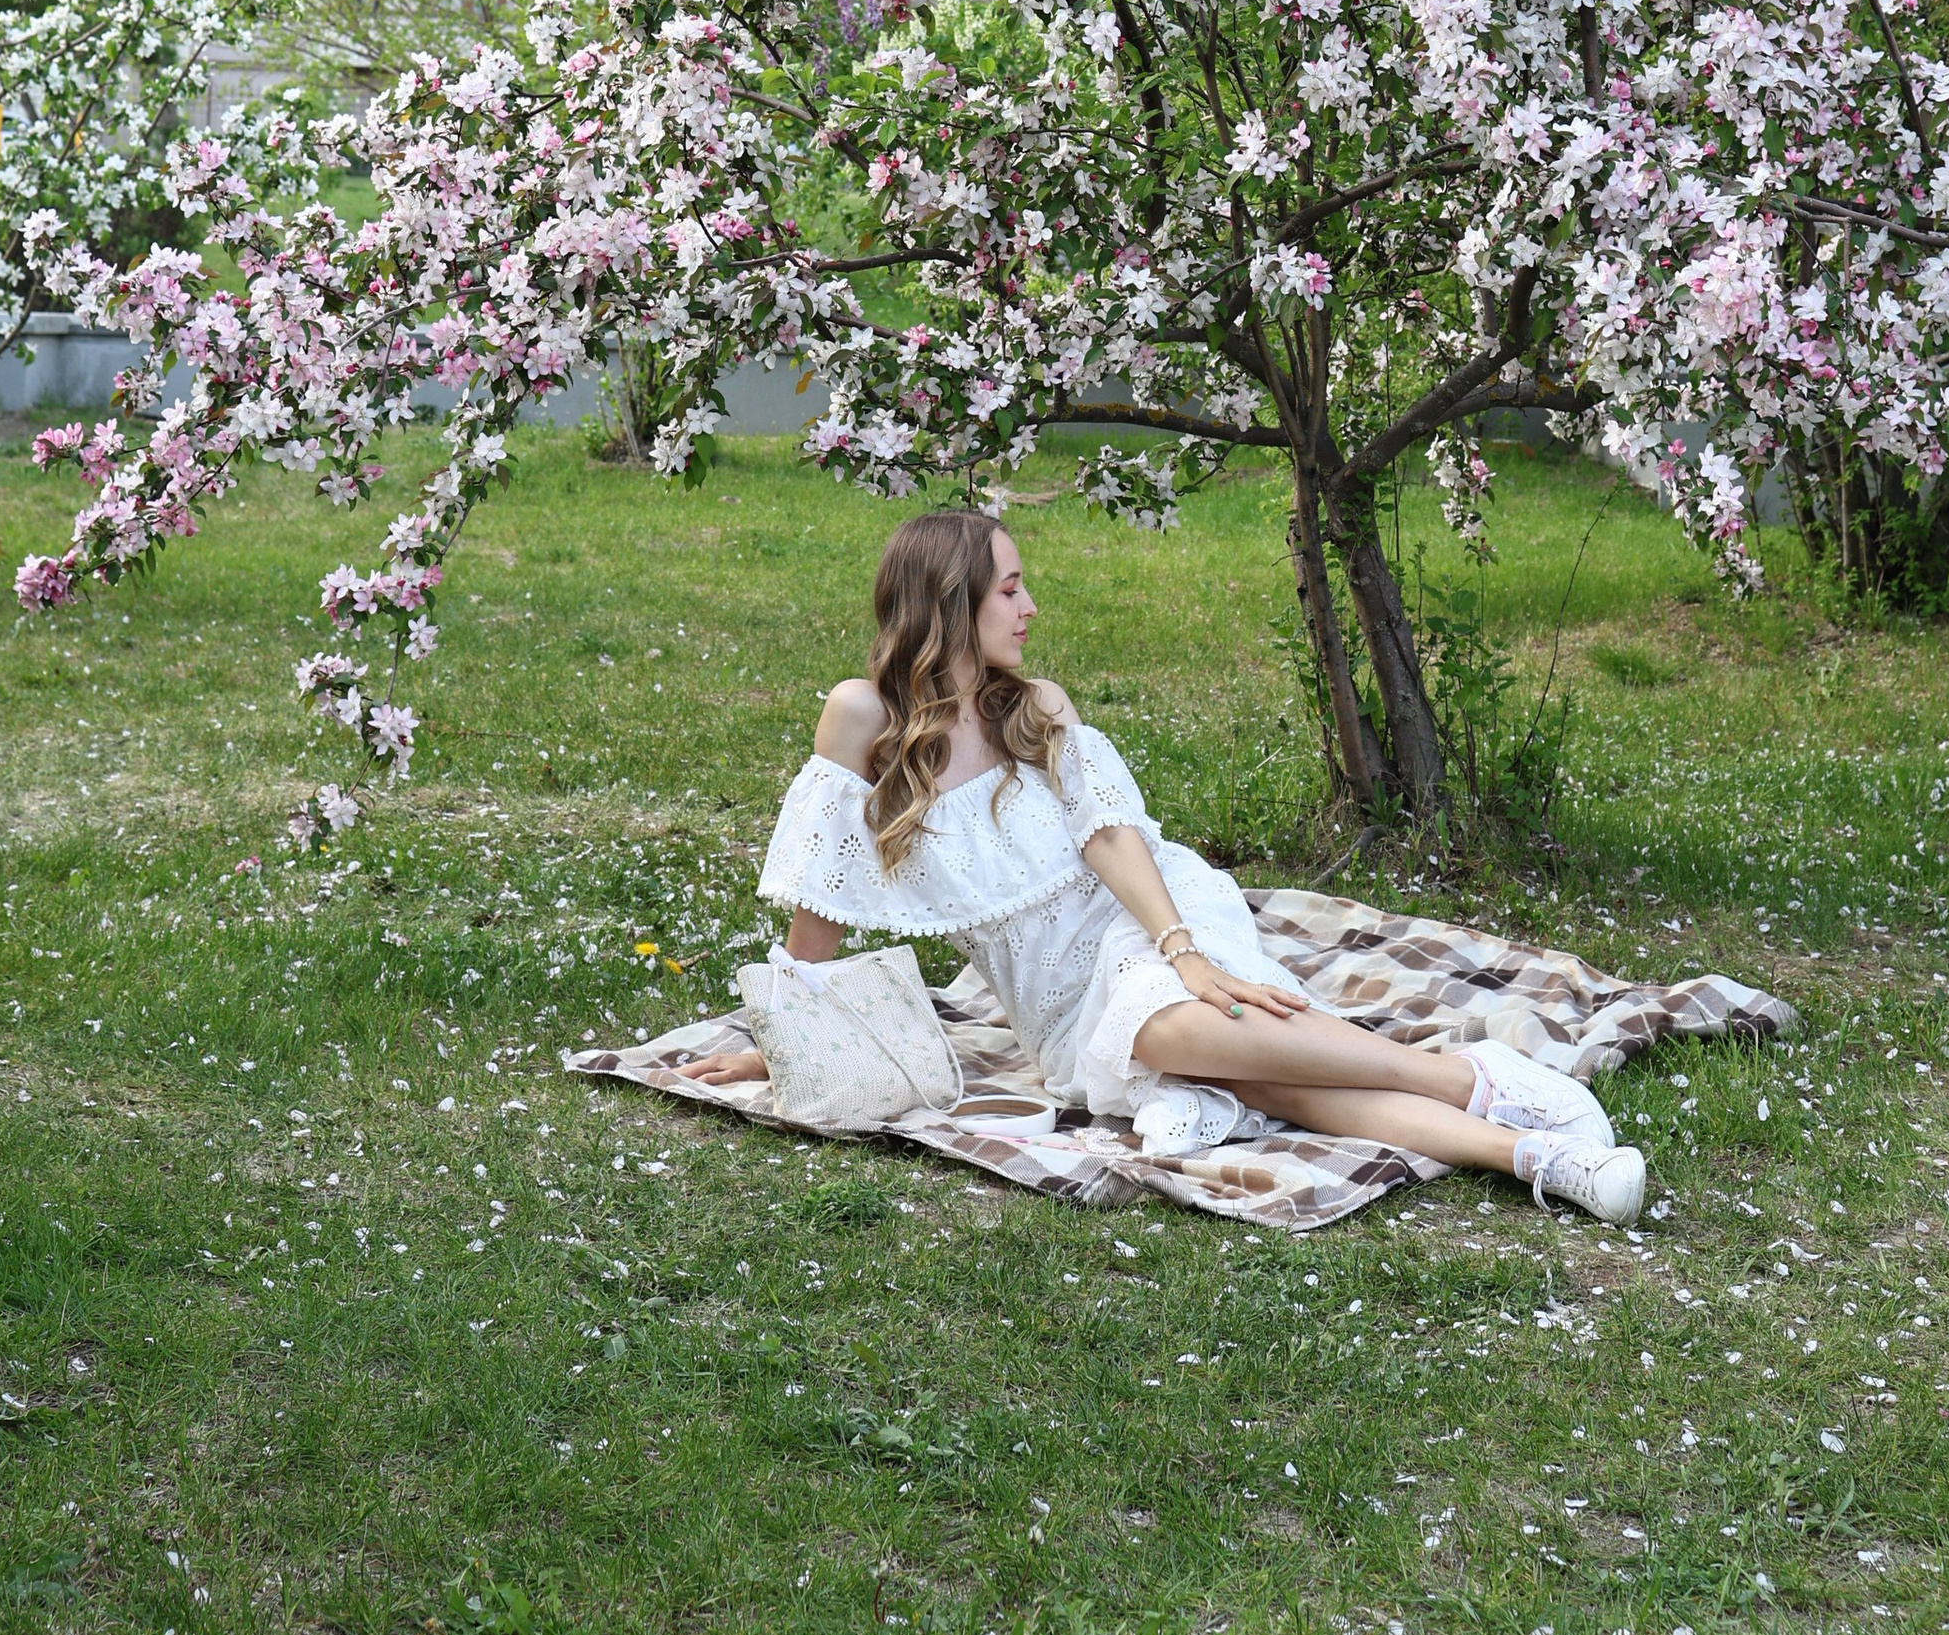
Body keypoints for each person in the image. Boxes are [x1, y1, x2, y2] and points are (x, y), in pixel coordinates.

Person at [686, 505, 1646, 1222]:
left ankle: (1505, 1126)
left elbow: (1111, 837)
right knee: (1257, 1081)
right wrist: (787, 1037)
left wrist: (1180, 949)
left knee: (1178, 1033)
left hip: (1147, 919)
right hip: (1060, 1019)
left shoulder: (1035, 706)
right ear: (951, 600)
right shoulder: (865, 718)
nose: (1030, 606)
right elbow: (822, 898)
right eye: (1010, 588)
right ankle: (1508, 1128)